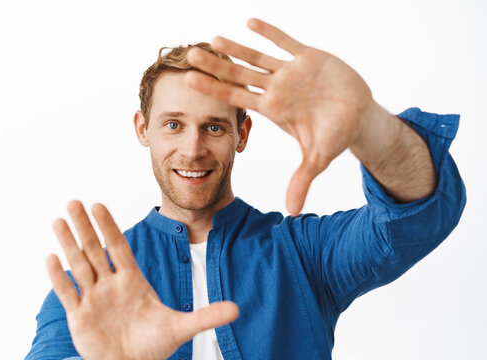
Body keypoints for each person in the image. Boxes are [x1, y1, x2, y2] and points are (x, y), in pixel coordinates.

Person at [25, 18, 466, 360]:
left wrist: (368, 126)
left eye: (213, 126)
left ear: (243, 134)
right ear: (144, 129)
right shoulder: (90, 289)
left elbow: (419, 217)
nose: (192, 149)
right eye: (173, 125)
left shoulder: (303, 255)